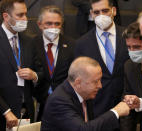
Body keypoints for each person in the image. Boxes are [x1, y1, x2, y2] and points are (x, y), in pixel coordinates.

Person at [41, 57, 130, 131]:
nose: (100, 86)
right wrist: (116, 112)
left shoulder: (86, 94)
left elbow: (93, 125)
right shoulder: (59, 100)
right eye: (95, 81)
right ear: (78, 83)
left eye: (100, 80)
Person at [74, 0, 129, 118]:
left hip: (127, 106)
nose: (101, 15)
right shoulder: (81, 43)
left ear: (114, 11)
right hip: (97, 109)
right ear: (91, 14)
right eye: (96, 12)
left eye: (105, 11)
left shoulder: (128, 35)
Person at [0, 0, 43, 130]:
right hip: (3, 113)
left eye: (26, 14)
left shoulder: (29, 41)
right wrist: (6, 111)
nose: (25, 19)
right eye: (20, 15)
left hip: (26, 112)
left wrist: (34, 75)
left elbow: (41, 71)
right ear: (6, 16)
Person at [32, 5, 75, 121]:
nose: (53, 27)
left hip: (65, 103)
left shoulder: (72, 45)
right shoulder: (31, 45)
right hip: (39, 103)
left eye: (57, 24)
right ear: (39, 24)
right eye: (49, 23)